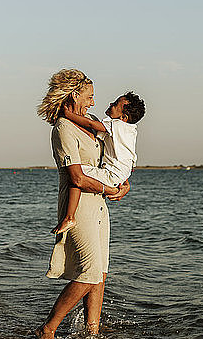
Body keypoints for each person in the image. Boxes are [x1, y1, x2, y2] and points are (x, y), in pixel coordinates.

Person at [35, 69, 130, 339]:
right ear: (74, 95)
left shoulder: (90, 122)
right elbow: (76, 177)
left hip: (100, 204)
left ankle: (92, 333)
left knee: (100, 273)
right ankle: (48, 328)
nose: (92, 101)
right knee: (88, 272)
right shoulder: (63, 129)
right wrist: (107, 188)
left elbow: (114, 157)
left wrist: (123, 184)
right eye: (89, 96)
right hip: (79, 206)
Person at [51, 92, 146, 235]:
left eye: (115, 105)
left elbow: (90, 124)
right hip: (122, 173)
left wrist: (68, 115)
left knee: (76, 176)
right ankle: (70, 217)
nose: (110, 104)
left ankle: (69, 217)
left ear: (123, 117)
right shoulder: (129, 130)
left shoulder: (117, 125)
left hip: (113, 174)